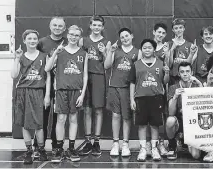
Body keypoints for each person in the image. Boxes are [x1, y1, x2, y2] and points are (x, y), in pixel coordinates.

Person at [45, 25, 89, 162]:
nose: (73, 37)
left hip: (76, 91)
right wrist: (55, 53)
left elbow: (85, 75)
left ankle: (71, 148)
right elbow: (47, 68)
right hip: (61, 90)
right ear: (67, 34)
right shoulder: (60, 51)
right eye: (71, 34)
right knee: (61, 119)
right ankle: (58, 148)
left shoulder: (83, 53)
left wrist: (82, 95)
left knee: (73, 119)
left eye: (76, 35)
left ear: (79, 37)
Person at [11, 30, 51, 164]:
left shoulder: (44, 56)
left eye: (35, 38)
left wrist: (47, 95)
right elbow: (14, 75)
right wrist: (16, 58)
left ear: (37, 40)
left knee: (39, 124)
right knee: (25, 124)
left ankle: (41, 149)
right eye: (29, 39)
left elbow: (49, 77)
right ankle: (29, 151)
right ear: (24, 41)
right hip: (23, 91)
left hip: (38, 91)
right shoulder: (21, 57)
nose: (32, 41)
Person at [129, 39, 170, 161]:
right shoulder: (136, 64)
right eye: (145, 48)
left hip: (156, 98)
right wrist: (132, 99)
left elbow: (165, 81)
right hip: (140, 98)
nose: (147, 50)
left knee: (155, 125)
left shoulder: (160, 63)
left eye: (150, 48)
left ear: (154, 49)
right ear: (141, 49)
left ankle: (154, 148)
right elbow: (132, 83)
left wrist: (167, 73)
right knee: (141, 125)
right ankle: (142, 148)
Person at [104, 28, 141, 157]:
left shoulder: (138, 52)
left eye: (127, 36)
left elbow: (139, 71)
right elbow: (106, 66)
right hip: (114, 86)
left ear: (132, 36)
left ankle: (125, 144)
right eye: (122, 37)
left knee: (127, 117)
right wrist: (110, 52)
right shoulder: (116, 51)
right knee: (115, 115)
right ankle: (115, 143)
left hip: (128, 88)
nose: (125, 38)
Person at [34, 16, 67, 154]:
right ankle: (38, 146)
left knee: (57, 117)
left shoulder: (68, 42)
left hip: (61, 85)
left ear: (64, 28)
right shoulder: (41, 42)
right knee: (42, 115)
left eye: (60, 26)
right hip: (43, 84)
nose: (57, 28)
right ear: (50, 26)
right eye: (55, 25)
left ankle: (56, 145)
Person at [78, 15, 110, 156]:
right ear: (90, 26)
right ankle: (88, 141)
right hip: (85, 76)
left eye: (99, 25)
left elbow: (107, 64)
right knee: (87, 109)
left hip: (99, 77)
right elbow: (77, 59)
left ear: (102, 27)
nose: (96, 27)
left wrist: (104, 52)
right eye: (94, 25)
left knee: (98, 109)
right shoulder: (82, 41)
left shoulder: (106, 42)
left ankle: (97, 141)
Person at [165, 62, 205, 161]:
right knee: (170, 121)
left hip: (194, 122)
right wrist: (175, 97)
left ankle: (186, 141)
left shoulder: (197, 85)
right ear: (178, 74)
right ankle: (172, 145)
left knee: (196, 156)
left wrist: (200, 84)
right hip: (180, 121)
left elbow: (205, 105)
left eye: (187, 71)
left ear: (192, 72)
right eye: (182, 72)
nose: (185, 74)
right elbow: (171, 113)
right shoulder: (173, 88)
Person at [150, 22, 170, 156]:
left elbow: (169, 66)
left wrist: (168, 54)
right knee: (149, 116)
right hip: (149, 84)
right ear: (154, 32)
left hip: (162, 85)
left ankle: (162, 143)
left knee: (163, 115)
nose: (160, 35)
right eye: (159, 32)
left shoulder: (167, 47)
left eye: (163, 33)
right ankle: (150, 144)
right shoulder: (147, 46)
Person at [169, 19, 197, 85]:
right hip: (174, 77)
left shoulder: (190, 45)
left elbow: (190, 63)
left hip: (187, 76)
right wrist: (172, 49)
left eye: (180, 27)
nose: (178, 30)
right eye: (176, 28)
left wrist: (181, 60)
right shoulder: (168, 44)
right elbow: (170, 64)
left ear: (184, 28)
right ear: (173, 30)